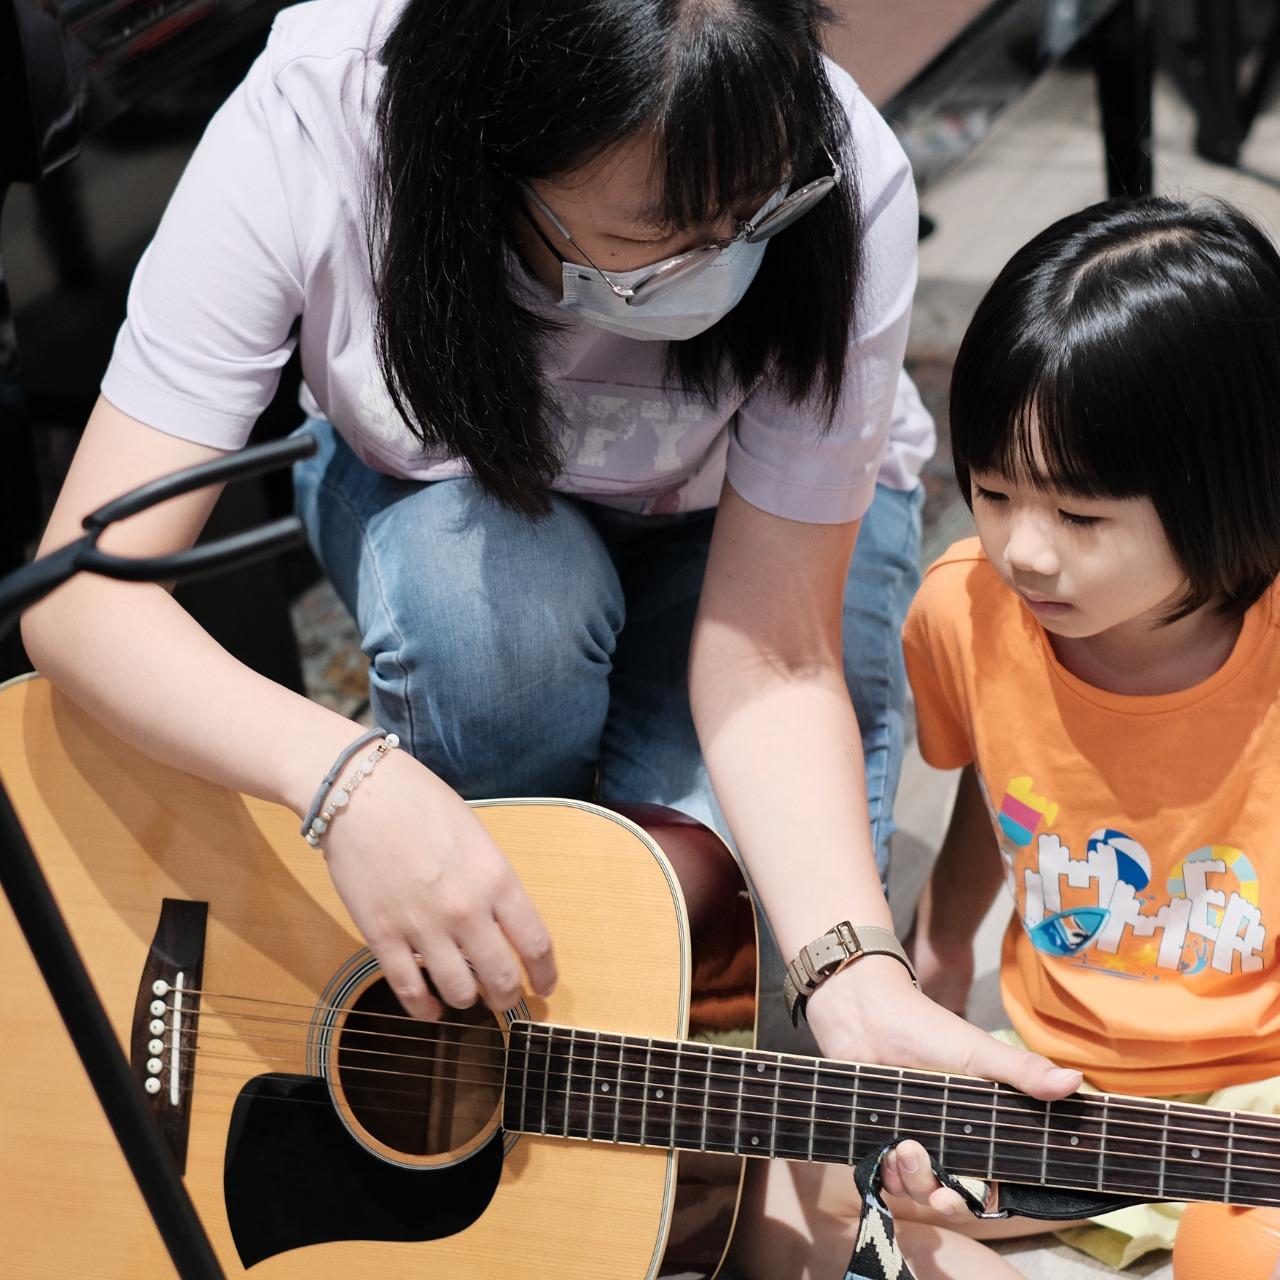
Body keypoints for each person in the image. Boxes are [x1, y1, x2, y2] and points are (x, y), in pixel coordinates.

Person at [21, 2, 1071, 1272]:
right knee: (486, 617)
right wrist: (349, 780)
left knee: (728, 917)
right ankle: (499, 1030)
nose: (718, 259)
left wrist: (853, 975)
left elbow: (773, 651)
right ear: (487, 151)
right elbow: (77, 592)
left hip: (743, 547)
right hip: (453, 505)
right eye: (655, 241)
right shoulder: (318, 122)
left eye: (751, 220)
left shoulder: (840, 177)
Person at [737, 195, 1280, 1278]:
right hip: (1055, 1080)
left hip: (1255, 1092)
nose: (1023, 551)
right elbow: (1005, 789)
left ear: (1227, 484)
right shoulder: (962, 609)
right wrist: (937, 949)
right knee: (793, 1204)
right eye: (990, 490)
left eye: (1079, 516)